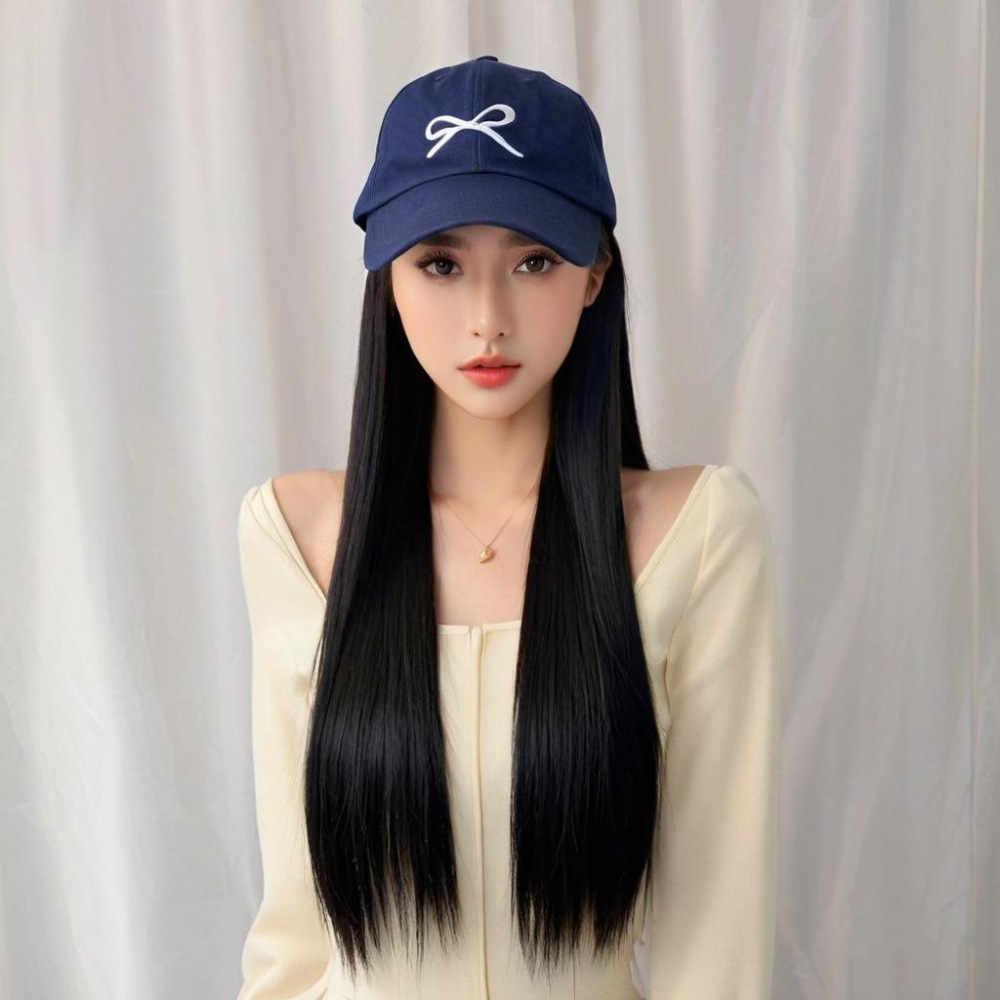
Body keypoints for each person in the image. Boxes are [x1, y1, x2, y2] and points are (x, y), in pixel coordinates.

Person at [235, 55, 782, 1000]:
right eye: (441, 264)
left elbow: (715, 948)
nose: (487, 319)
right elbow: (296, 945)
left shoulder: (695, 538)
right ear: (387, 279)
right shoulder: (295, 536)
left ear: (594, 275)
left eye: (533, 261)